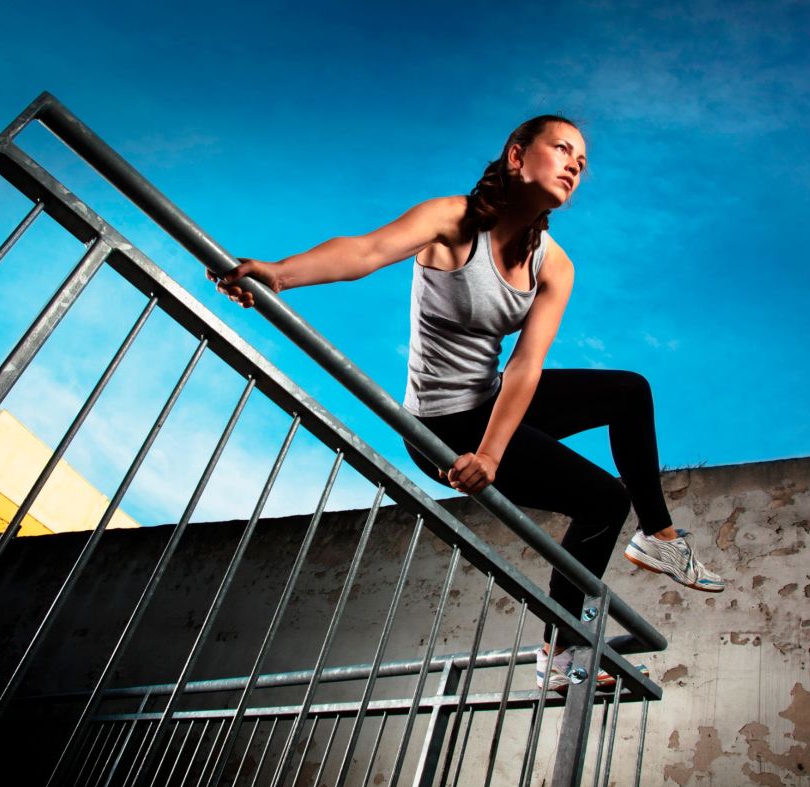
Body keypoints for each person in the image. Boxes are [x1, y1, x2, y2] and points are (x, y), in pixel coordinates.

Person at [208, 115, 726, 690]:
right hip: (440, 425)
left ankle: (658, 538)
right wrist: (279, 274)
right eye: (562, 149)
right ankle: (562, 655)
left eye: (582, 160)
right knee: (605, 498)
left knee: (629, 392)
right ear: (516, 156)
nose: (577, 164)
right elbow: (366, 250)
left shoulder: (554, 265)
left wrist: (496, 451)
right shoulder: (452, 221)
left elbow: (525, 366)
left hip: (491, 404)